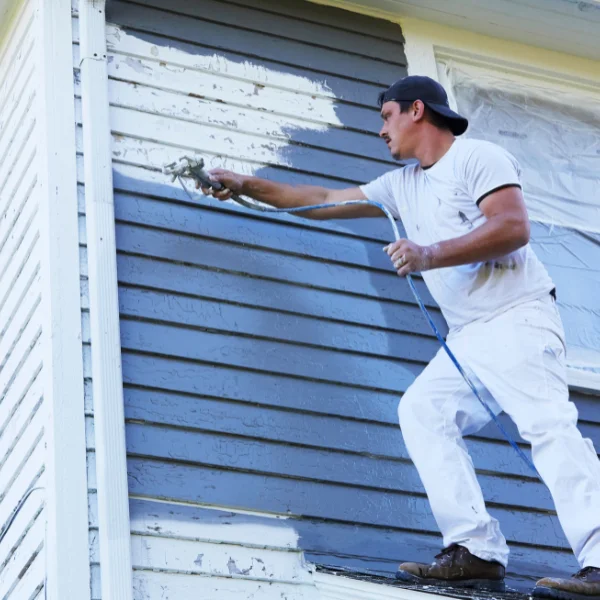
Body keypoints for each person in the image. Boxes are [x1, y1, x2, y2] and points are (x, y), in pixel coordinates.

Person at [199, 75, 600, 600]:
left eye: (386, 116)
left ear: (416, 110)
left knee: (547, 425)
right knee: (422, 411)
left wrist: (429, 253)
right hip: (469, 335)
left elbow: (513, 227)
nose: (381, 130)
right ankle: (475, 549)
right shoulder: (400, 185)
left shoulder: (478, 157)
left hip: (518, 314)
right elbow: (319, 196)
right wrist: (245, 185)